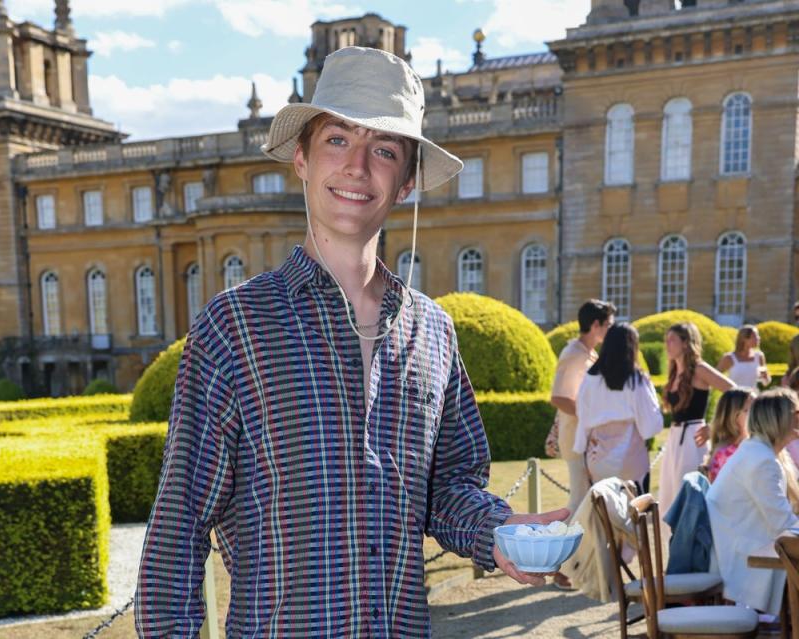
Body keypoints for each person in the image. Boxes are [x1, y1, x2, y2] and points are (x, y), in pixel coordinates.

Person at [134, 46, 567, 637]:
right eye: (338, 140)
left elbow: (450, 486)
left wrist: (498, 533)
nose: (358, 167)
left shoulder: (433, 331)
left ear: (408, 181)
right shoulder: (234, 328)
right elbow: (178, 530)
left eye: (384, 150)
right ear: (301, 159)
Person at [707, 388, 799, 618]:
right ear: (778, 420)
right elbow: (783, 525)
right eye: (795, 413)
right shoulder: (761, 461)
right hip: (743, 561)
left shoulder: (758, 451)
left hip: (745, 547)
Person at [658, 322, 734, 523]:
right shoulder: (675, 372)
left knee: (690, 494)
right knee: (670, 495)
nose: (667, 344)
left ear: (685, 343)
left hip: (694, 439)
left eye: (672, 340)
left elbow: (737, 393)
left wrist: (716, 424)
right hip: (674, 439)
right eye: (666, 340)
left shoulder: (700, 369)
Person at [574, 322, 663, 489]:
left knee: (603, 510)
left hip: (596, 453)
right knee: (635, 510)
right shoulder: (636, 380)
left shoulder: (590, 378)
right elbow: (650, 426)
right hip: (630, 454)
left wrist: (580, 450)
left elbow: (583, 417)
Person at [550, 299, 615, 515]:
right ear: (596, 325)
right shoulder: (573, 354)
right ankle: (564, 546)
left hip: (587, 439)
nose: (610, 330)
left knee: (590, 500)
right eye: (608, 325)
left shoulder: (589, 354)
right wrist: (593, 416)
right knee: (579, 501)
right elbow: (559, 398)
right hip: (575, 440)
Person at [705, 387, 755, 482]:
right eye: (748, 410)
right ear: (733, 416)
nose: (756, 414)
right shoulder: (728, 453)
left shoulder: (747, 445)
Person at [718, 325, 771, 389]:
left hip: (753, 397)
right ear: (744, 339)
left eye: (758, 335)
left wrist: (765, 377)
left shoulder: (759, 356)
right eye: (754, 336)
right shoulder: (729, 358)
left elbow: (765, 382)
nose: (758, 338)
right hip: (735, 397)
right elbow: (715, 378)